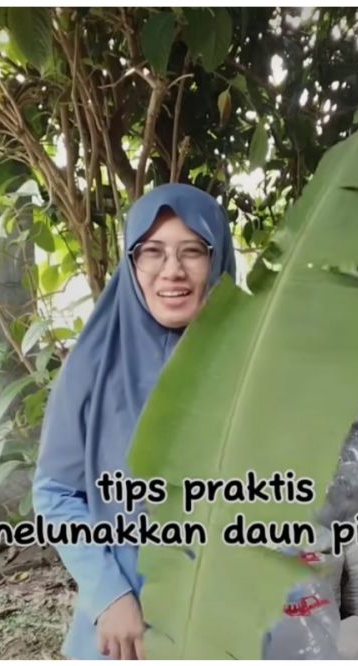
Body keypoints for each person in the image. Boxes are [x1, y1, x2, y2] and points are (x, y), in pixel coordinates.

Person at [32, 184, 236, 659]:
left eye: (193, 252)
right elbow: (54, 492)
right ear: (131, 262)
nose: (172, 272)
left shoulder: (250, 364)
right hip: (124, 626)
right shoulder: (91, 367)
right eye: (153, 253)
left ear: (219, 259)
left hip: (224, 612)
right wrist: (110, 595)